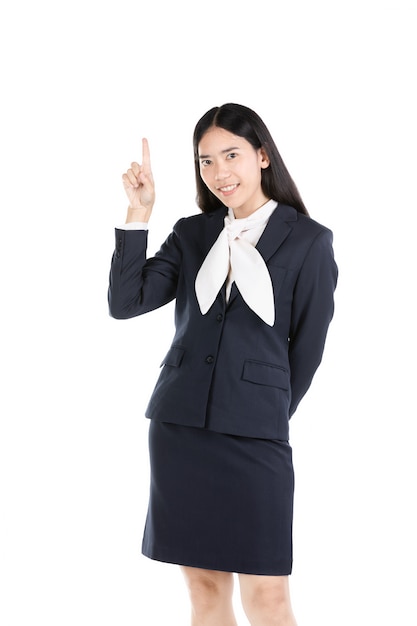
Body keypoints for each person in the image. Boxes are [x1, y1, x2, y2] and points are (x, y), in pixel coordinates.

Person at [108, 103, 338, 626]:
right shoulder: (192, 234)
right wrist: (139, 215)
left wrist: (261, 408)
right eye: (206, 161)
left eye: (230, 155)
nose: (218, 172)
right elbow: (126, 303)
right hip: (180, 429)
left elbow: (306, 351)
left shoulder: (309, 241)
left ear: (261, 156)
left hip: (255, 434)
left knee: (269, 595)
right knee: (205, 589)